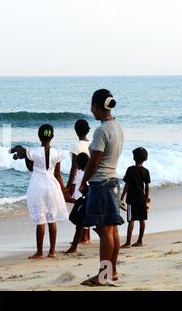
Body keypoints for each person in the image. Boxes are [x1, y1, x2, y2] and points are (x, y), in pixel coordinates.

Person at [79, 89, 124, 286]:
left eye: (92, 106)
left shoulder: (101, 130)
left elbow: (94, 162)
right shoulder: (117, 127)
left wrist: (83, 181)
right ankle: (111, 271)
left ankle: (103, 275)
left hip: (101, 183)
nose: (91, 110)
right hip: (113, 180)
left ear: (97, 106)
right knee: (112, 230)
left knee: (104, 231)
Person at [10, 124, 71, 259]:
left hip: (37, 184)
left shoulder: (33, 152)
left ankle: (39, 252)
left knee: (41, 219)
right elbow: (58, 173)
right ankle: (52, 251)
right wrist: (63, 189)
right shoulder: (57, 153)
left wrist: (25, 156)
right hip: (52, 184)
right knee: (52, 219)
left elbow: (31, 168)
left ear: (39, 136)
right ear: (52, 136)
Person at [66, 119, 91, 244]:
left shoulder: (76, 146)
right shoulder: (92, 144)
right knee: (87, 206)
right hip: (90, 177)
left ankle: (84, 237)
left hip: (80, 178)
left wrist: (69, 184)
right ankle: (86, 236)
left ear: (76, 131)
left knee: (81, 208)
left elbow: (73, 167)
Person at [120, 147, 151, 248]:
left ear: (134, 157)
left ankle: (128, 242)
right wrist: (146, 200)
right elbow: (147, 188)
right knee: (142, 219)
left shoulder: (130, 169)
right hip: (141, 198)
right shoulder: (146, 171)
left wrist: (122, 197)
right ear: (145, 159)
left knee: (131, 220)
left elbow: (127, 185)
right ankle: (140, 240)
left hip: (131, 199)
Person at [65, 152, 89, 254]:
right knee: (82, 225)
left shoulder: (83, 174)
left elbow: (83, 188)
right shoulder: (88, 172)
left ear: (78, 164)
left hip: (86, 200)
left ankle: (73, 247)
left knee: (79, 224)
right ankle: (74, 246)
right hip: (88, 200)